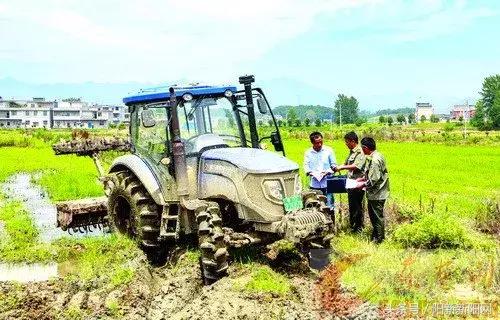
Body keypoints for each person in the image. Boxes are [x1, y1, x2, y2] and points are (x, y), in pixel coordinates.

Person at [354, 137, 389, 243]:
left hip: (377, 194)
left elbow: (373, 179)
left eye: (362, 148)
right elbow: (375, 174)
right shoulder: (378, 155)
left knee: (376, 217)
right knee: (375, 216)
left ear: (365, 148)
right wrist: (363, 178)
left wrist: (362, 185)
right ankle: (375, 237)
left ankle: (379, 240)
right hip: (380, 192)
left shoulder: (374, 160)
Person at [334, 131, 366, 233]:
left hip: (358, 184)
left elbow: (356, 166)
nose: (346, 144)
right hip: (351, 183)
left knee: (357, 206)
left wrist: (342, 167)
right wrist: (338, 167)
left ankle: (358, 228)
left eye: (347, 142)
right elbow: (346, 163)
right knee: (352, 206)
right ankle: (353, 227)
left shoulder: (360, 152)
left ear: (353, 141)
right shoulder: (352, 152)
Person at [303, 131, 337, 210]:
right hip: (315, 184)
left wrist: (327, 172)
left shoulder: (329, 150)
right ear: (312, 143)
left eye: (321, 142)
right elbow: (306, 165)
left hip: (327, 183)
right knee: (315, 206)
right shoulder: (308, 153)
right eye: (317, 143)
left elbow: (334, 165)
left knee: (329, 205)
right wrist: (310, 172)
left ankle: (331, 221)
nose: (319, 144)